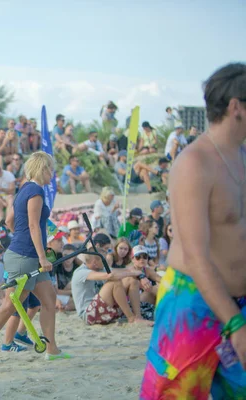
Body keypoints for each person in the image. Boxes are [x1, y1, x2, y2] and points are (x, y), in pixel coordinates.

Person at [141, 63, 246, 399]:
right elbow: (196, 253)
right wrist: (235, 323)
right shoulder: (194, 162)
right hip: (191, 303)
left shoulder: (242, 156)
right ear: (236, 106)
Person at [0, 152, 68, 364]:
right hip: (24, 256)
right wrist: (43, 257)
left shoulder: (23, 189)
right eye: (50, 170)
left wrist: (22, 237)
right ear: (42, 169)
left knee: (49, 300)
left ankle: (51, 348)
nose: (52, 174)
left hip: (26, 254)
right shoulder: (35, 191)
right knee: (10, 305)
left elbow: (9, 220)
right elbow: (34, 225)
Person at [71, 234, 152, 326]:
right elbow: (110, 276)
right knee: (114, 281)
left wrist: (140, 275)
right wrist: (133, 273)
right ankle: (131, 318)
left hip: (102, 308)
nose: (106, 262)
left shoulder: (100, 268)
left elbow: (125, 271)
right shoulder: (81, 272)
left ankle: (138, 317)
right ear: (95, 263)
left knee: (131, 280)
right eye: (104, 260)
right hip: (89, 314)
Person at [54, 244, 80, 312]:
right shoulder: (57, 267)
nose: (68, 258)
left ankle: (64, 307)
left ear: (74, 257)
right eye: (65, 255)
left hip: (70, 295)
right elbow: (56, 291)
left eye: (71, 256)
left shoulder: (77, 267)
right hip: (58, 295)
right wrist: (72, 292)